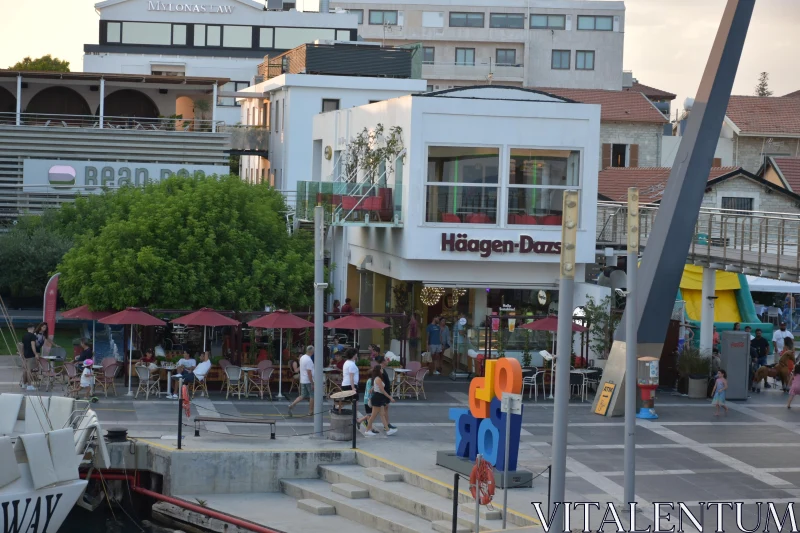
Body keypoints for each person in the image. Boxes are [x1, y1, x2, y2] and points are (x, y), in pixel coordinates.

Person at [364, 365, 396, 436]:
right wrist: (390, 397)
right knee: (373, 416)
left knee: (382, 414)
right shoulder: (378, 379)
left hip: (379, 398)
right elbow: (382, 390)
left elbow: (377, 388)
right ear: (379, 370)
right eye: (381, 369)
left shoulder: (378, 378)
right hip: (378, 398)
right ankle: (367, 430)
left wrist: (372, 388)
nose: (382, 370)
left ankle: (388, 430)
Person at [288, 346, 315, 417]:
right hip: (308, 380)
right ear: (311, 352)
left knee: (302, 395)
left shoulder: (302, 357)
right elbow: (309, 372)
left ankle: (292, 404)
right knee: (312, 396)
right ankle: (310, 411)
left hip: (302, 379)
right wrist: (312, 382)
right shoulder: (309, 360)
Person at [376, 355, 398, 433]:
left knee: (384, 409)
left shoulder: (382, 369)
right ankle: (386, 425)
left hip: (385, 391)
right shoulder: (380, 370)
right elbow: (379, 382)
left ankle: (387, 424)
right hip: (382, 392)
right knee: (377, 411)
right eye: (386, 360)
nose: (387, 361)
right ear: (383, 362)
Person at [21, 324, 39, 391]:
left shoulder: (24, 336)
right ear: (33, 328)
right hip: (31, 355)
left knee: (25, 370)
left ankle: (23, 384)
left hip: (25, 354)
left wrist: (22, 353)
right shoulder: (32, 336)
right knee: (29, 371)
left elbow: (22, 345)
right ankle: (29, 385)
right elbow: (33, 346)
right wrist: (36, 354)